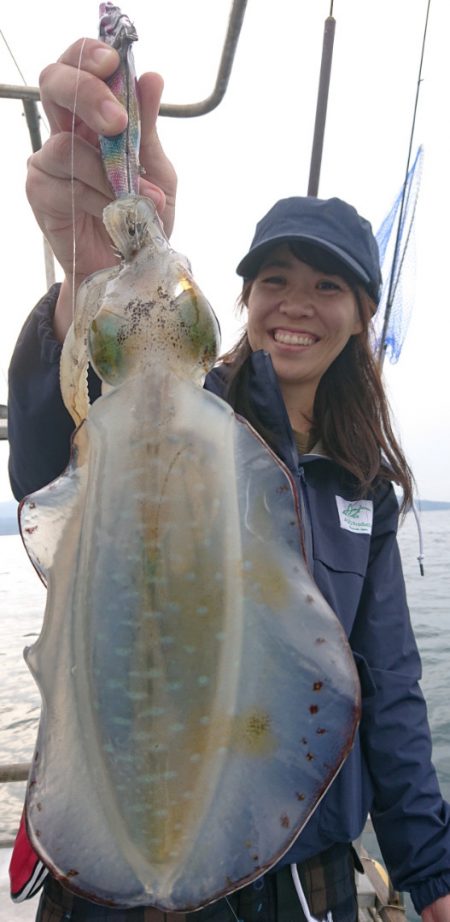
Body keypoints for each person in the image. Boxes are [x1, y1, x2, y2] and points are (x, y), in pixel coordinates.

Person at [7, 37, 450, 922]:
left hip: (289, 864)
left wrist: (430, 875)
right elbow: (47, 458)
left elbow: (390, 683)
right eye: (272, 279)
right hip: (117, 864)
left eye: (328, 286)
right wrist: (87, 286)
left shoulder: (364, 487)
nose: (296, 302)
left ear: (362, 316)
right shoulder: (178, 411)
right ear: (238, 303)